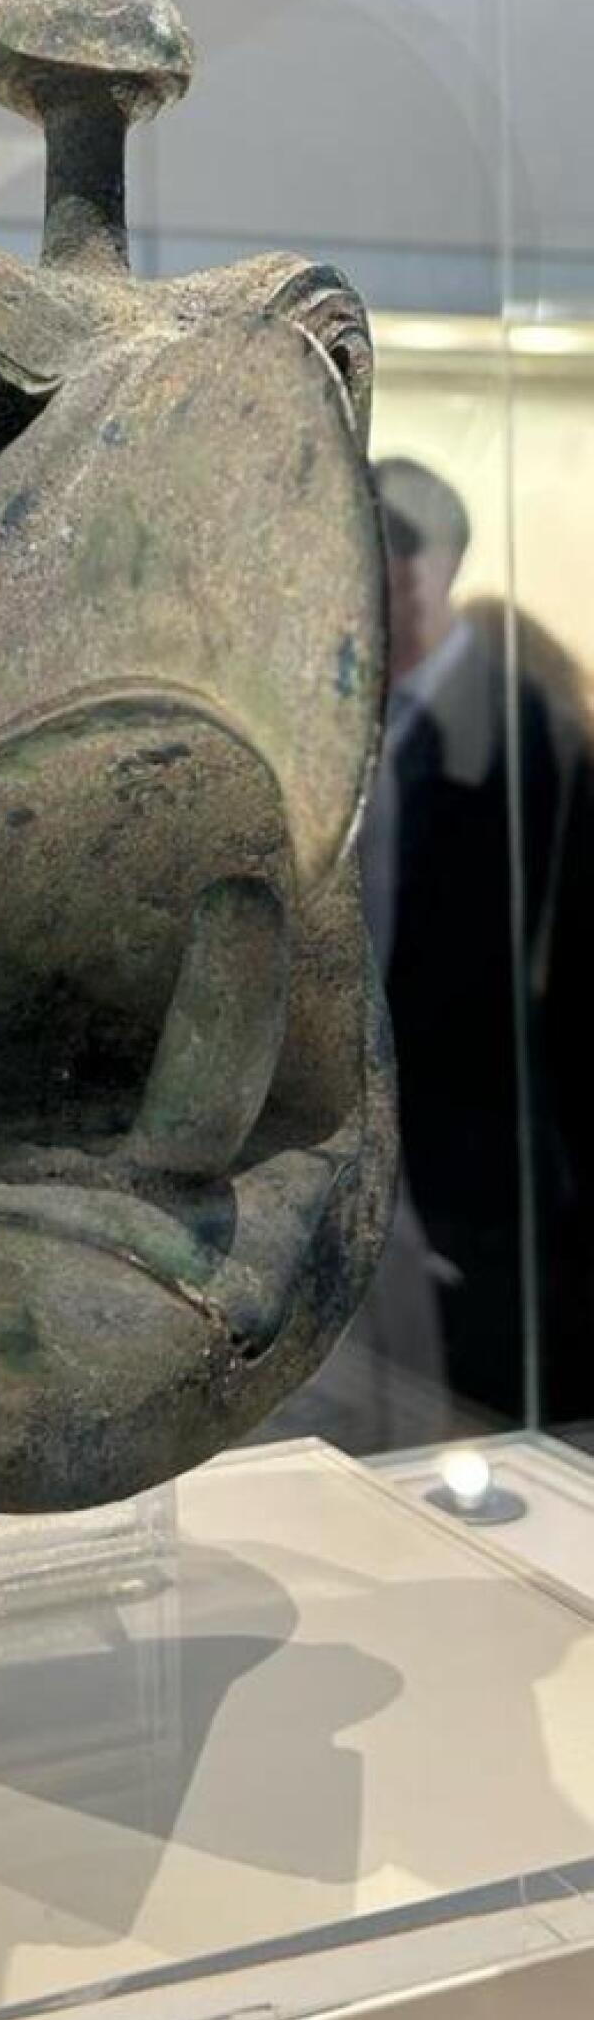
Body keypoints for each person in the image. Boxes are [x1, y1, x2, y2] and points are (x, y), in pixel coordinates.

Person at [361, 460, 594, 1427]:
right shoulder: (353, 727)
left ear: (438, 565)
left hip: (492, 1187)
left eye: (401, 549)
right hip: (389, 1175)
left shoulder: (533, 739)